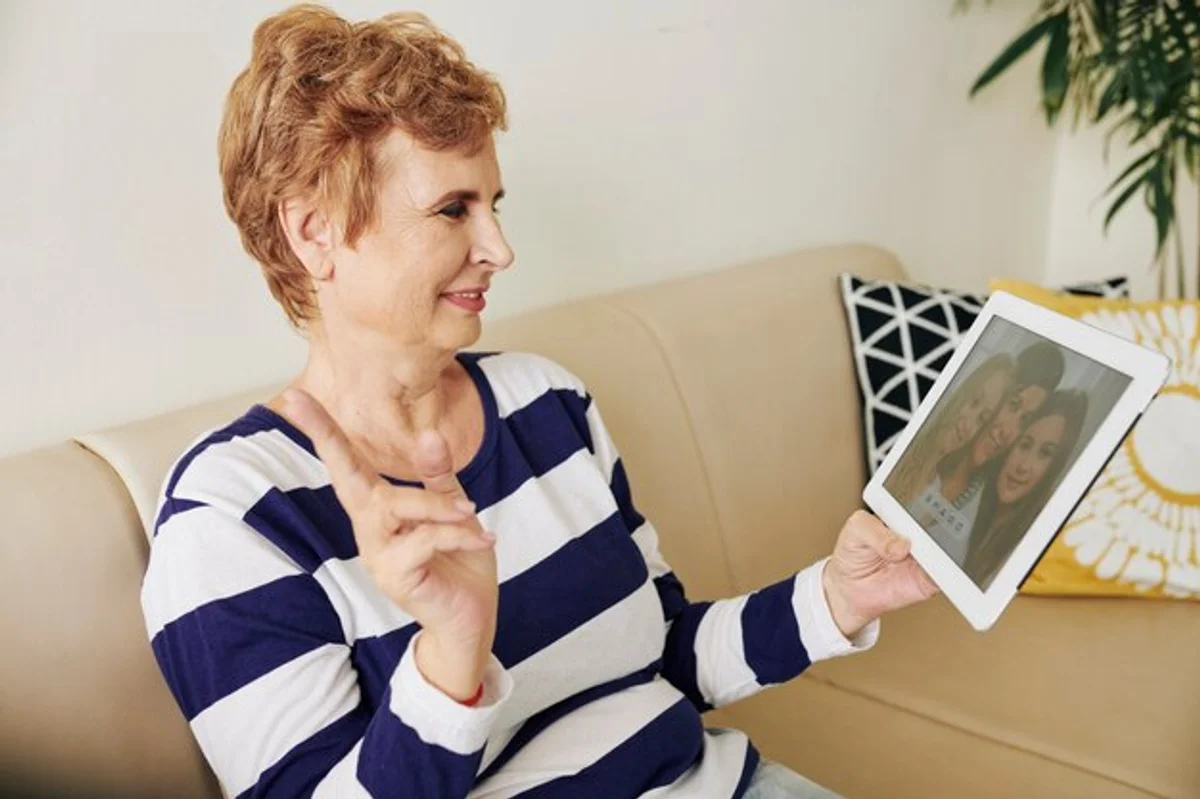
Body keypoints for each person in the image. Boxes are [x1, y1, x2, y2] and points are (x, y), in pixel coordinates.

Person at [138, 7, 938, 799]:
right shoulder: (233, 515)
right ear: (315, 232)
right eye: (453, 209)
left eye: (494, 203)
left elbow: (664, 656)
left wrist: (836, 595)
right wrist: (450, 655)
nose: (500, 248)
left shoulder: (545, 399)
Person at [911, 340, 1066, 563]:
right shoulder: (930, 441)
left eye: (1024, 421)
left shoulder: (985, 505)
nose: (1008, 433)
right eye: (1012, 404)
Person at [963, 390, 1089, 589]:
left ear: (1053, 469)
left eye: (1044, 454)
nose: (1023, 466)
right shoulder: (973, 501)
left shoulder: (1029, 548)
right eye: (1025, 445)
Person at [886, 353, 1015, 508]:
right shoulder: (899, 444)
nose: (968, 426)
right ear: (963, 390)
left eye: (982, 419)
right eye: (974, 401)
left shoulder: (934, 495)